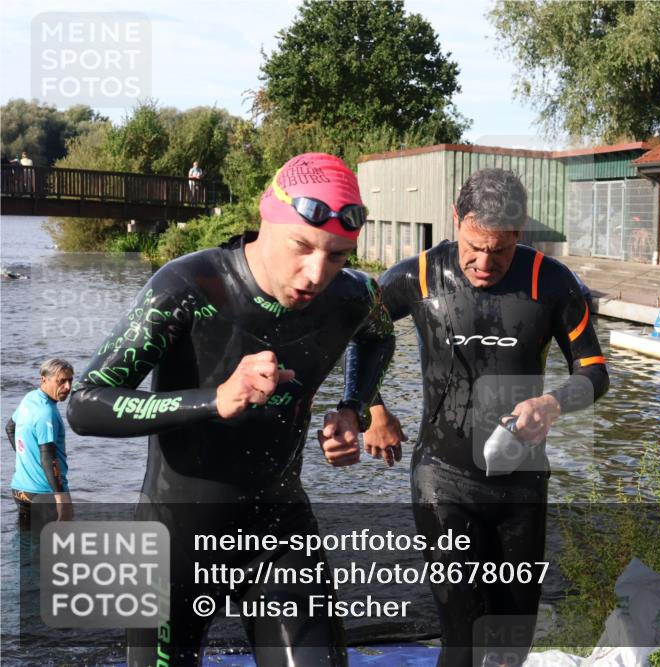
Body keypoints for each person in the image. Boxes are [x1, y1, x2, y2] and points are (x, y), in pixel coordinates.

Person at [68, 152, 394, 667]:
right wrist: (214, 400)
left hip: (279, 529)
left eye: (337, 255)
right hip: (174, 538)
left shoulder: (355, 296)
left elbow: (379, 337)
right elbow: (85, 405)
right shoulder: (188, 285)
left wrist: (353, 408)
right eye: (302, 247)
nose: (316, 274)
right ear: (268, 218)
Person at [363, 168, 610, 666]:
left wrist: (554, 402)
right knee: (465, 634)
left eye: (499, 250)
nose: (482, 262)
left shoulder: (552, 282)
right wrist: (372, 408)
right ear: (456, 220)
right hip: (443, 478)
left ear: (519, 234)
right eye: (473, 246)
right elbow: (360, 333)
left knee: (510, 640)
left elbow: (595, 372)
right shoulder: (419, 275)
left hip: (520, 483)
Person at [6, 358, 75, 528]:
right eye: (61, 381)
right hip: (45, 493)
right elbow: (48, 457)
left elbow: (10, 428)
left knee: (27, 543)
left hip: (20, 490)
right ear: (44, 379)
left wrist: (28, 459)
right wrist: (61, 498)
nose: (67, 387)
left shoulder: (29, 399)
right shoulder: (46, 413)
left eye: (70, 380)